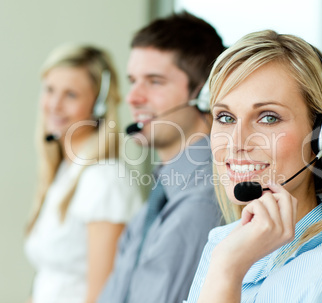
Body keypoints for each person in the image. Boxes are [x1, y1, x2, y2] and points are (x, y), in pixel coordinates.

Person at [185, 30, 322, 302]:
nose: (236, 143)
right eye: (226, 117)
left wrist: (227, 272)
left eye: (268, 118)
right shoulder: (224, 244)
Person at [98, 12, 225, 303]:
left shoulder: (202, 201)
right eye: (133, 80)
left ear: (205, 94)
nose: (133, 97)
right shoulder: (165, 190)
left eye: (154, 82)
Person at [24, 45, 143, 303]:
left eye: (71, 95)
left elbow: (102, 295)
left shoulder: (104, 179)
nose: (54, 105)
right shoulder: (65, 172)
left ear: (98, 105)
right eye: (50, 90)